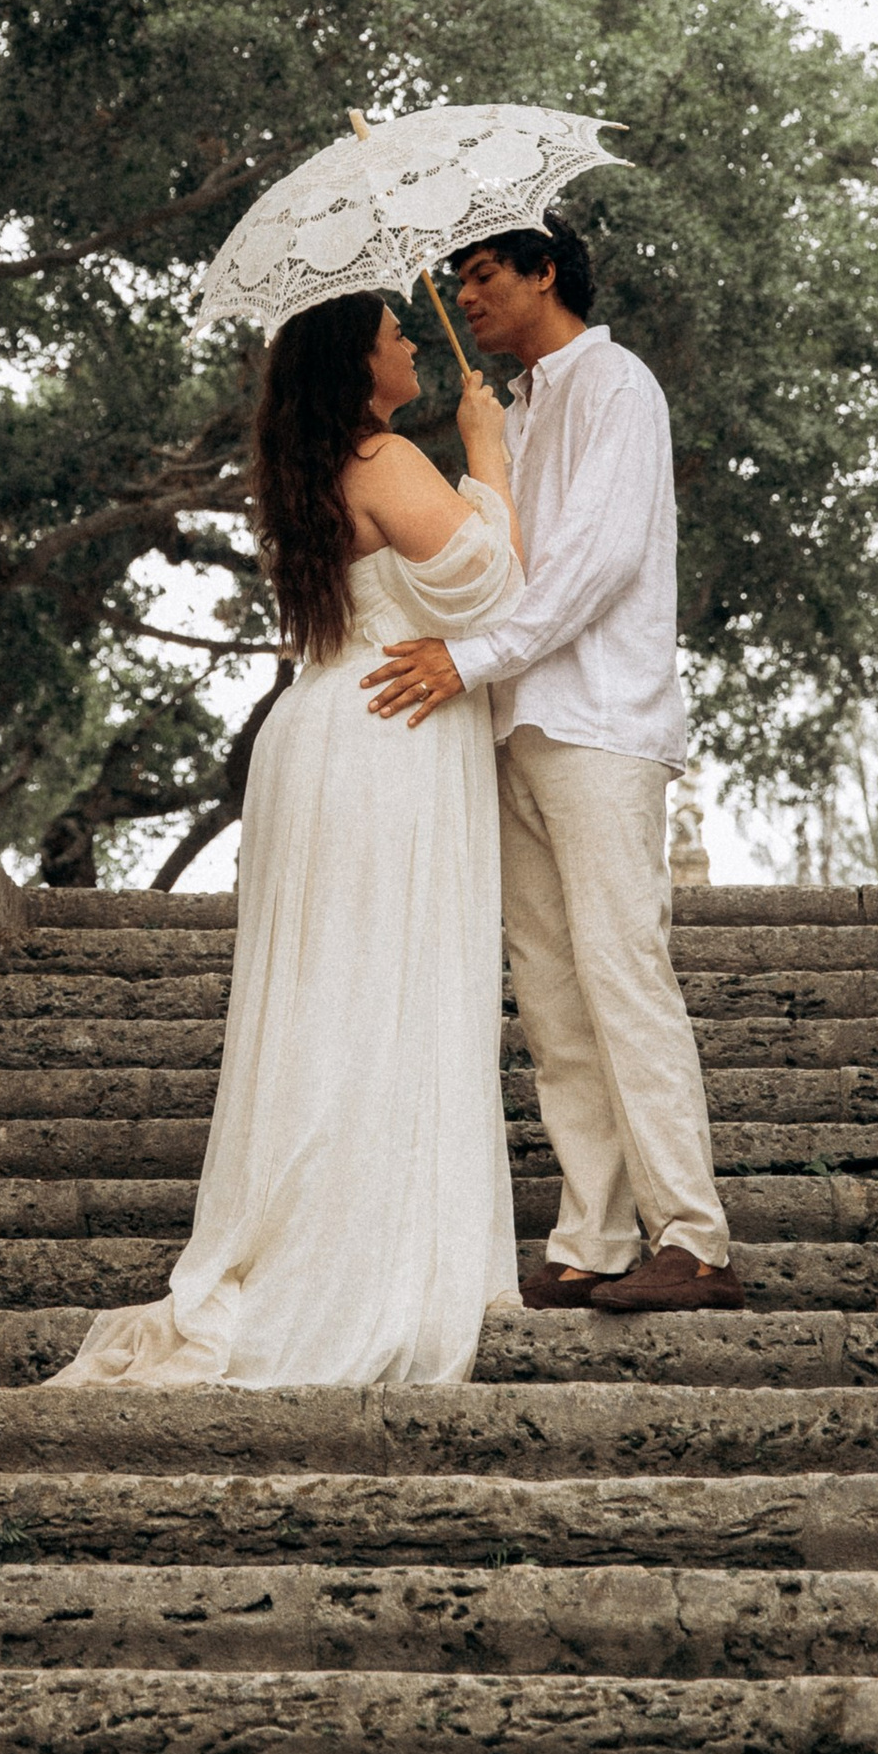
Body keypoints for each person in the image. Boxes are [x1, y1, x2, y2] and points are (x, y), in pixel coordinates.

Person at [44, 292, 525, 1389]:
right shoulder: (385, 455)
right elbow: (496, 587)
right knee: (383, 992)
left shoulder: (305, 470)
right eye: (396, 331)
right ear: (359, 364)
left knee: (333, 998)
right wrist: (486, 452)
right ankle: (360, 1257)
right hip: (388, 733)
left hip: (325, 726)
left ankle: (335, 1222)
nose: (412, 340)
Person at [362, 219, 742, 1319]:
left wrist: (471, 658)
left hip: (599, 721)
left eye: (484, 277)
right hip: (513, 724)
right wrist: (486, 448)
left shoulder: (614, 382)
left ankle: (694, 1237)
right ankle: (593, 1235)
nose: (465, 298)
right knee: (550, 994)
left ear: (544, 274)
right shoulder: (516, 406)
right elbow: (504, 565)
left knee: (623, 971)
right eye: (456, 283)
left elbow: (595, 561)